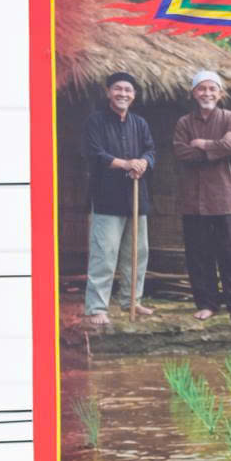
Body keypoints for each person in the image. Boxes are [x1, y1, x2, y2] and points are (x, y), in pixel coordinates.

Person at [171, 69, 231, 324]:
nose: (207, 93)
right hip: (194, 201)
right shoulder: (184, 123)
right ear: (194, 93)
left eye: (212, 89)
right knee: (199, 255)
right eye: (202, 89)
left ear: (220, 93)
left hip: (226, 198)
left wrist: (202, 144)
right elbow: (182, 153)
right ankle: (206, 304)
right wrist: (217, 146)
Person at [83, 71, 155, 328]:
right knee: (105, 254)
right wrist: (125, 163)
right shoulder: (96, 121)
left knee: (137, 253)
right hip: (107, 198)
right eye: (118, 89)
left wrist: (143, 163)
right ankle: (96, 307)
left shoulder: (140, 123)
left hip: (137, 197)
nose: (123, 93)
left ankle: (131, 300)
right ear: (108, 92)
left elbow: (150, 150)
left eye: (128, 90)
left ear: (133, 95)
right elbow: (95, 153)